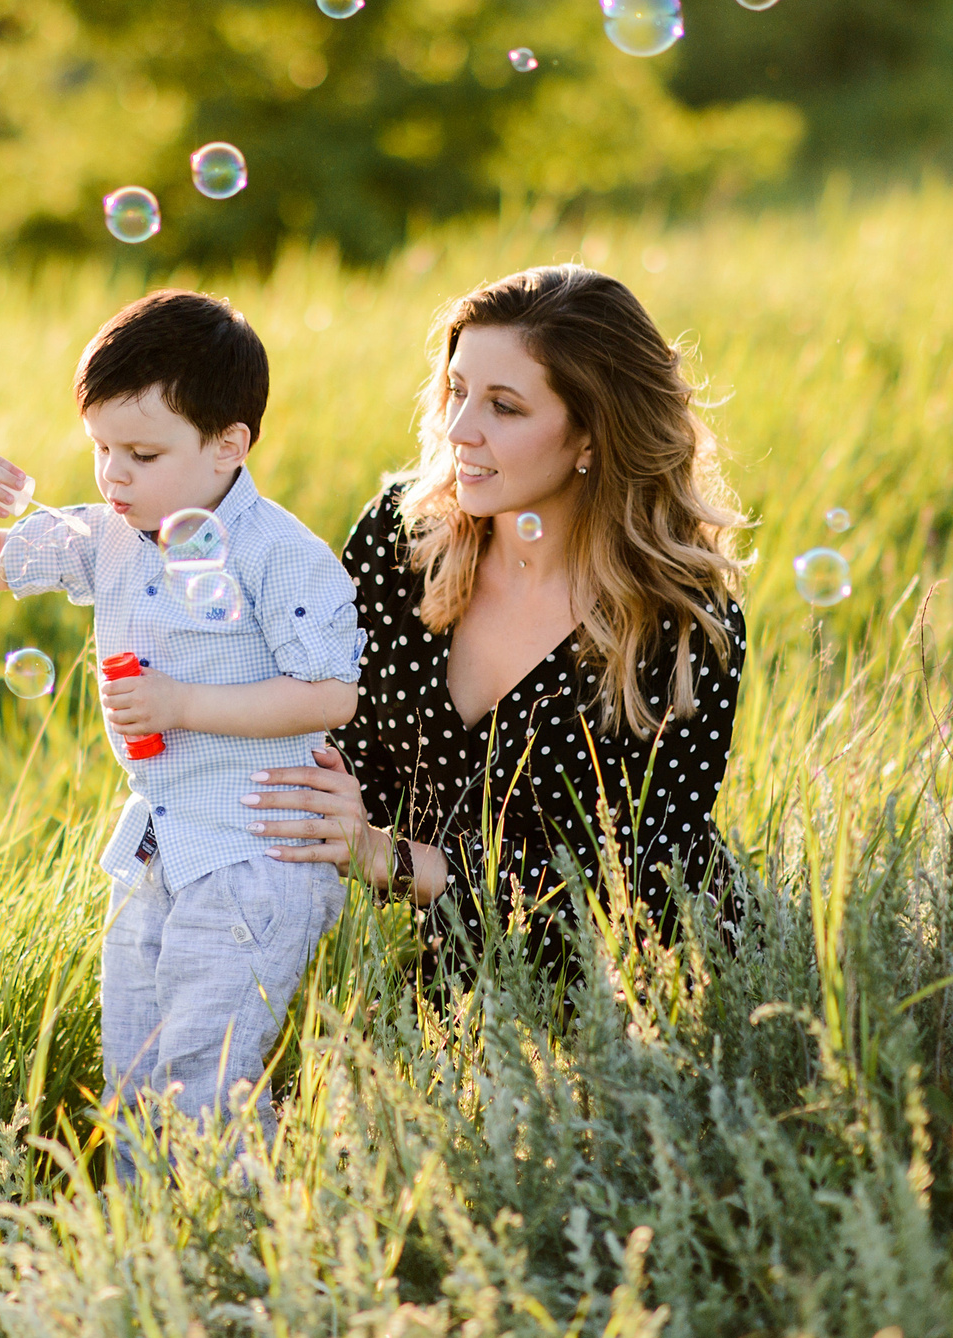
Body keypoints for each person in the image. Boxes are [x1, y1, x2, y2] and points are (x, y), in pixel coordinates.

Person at [0, 289, 365, 1177]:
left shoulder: (278, 553)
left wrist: (183, 704)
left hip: (257, 854)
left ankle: (240, 1257)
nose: (111, 476)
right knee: (133, 1077)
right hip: (158, 849)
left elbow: (329, 694)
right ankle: (151, 1257)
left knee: (203, 1080)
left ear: (227, 444)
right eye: (99, 448)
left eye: (140, 452)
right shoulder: (111, 537)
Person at [241, 264, 747, 979]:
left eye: (503, 407)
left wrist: (386, 856)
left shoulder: (680, 619)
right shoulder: (401, 543)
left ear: (592, 437)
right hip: (444, 971)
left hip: (645, 985)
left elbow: (629, 880)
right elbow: (335, 744)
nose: (457, 428)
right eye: (456, 389)